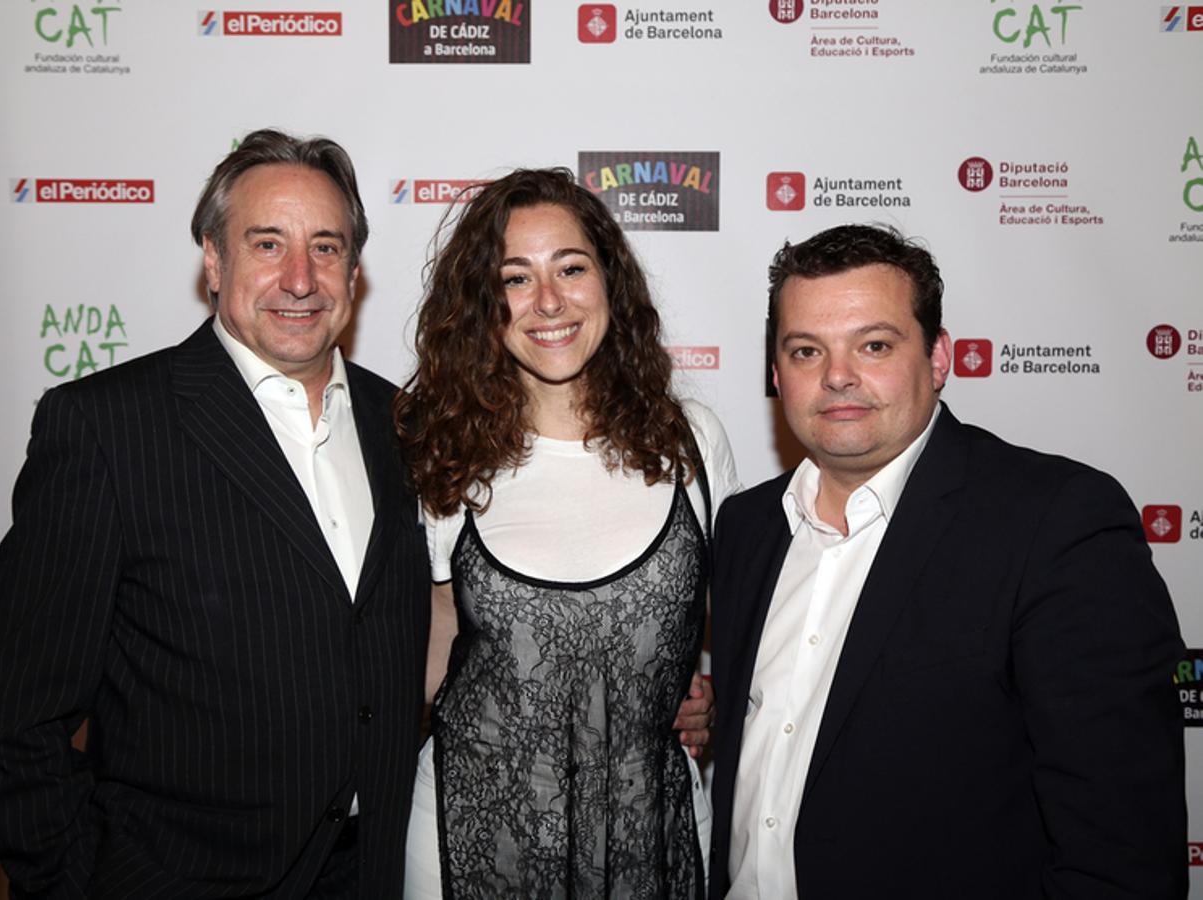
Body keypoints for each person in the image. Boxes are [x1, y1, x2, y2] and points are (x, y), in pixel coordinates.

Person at [0, 130, 431, 898]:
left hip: (371, 873)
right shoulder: (107, 428)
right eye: (268, 244)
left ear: (354, 267)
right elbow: (13, 725)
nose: (301, 279)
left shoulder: (403, 425)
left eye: (327, 247)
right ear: (215, 261)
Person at [707, 223, 1187, 899]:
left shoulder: (1055, 524)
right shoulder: (746, 528)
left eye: (874, 345)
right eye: (806, 349)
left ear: (938, 359)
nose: (838, 375)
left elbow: (1121, 848)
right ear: (777, 372)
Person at [394, 168, 740, 898]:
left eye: (571, 268)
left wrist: (711, 697)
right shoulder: (441, 455)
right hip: (469, 835)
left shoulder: (693, 444)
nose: (548, 302)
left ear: (609, 279)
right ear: (483, 305)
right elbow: (428, 650)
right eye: (515, 279)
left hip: (658, 830)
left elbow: (737, 631)